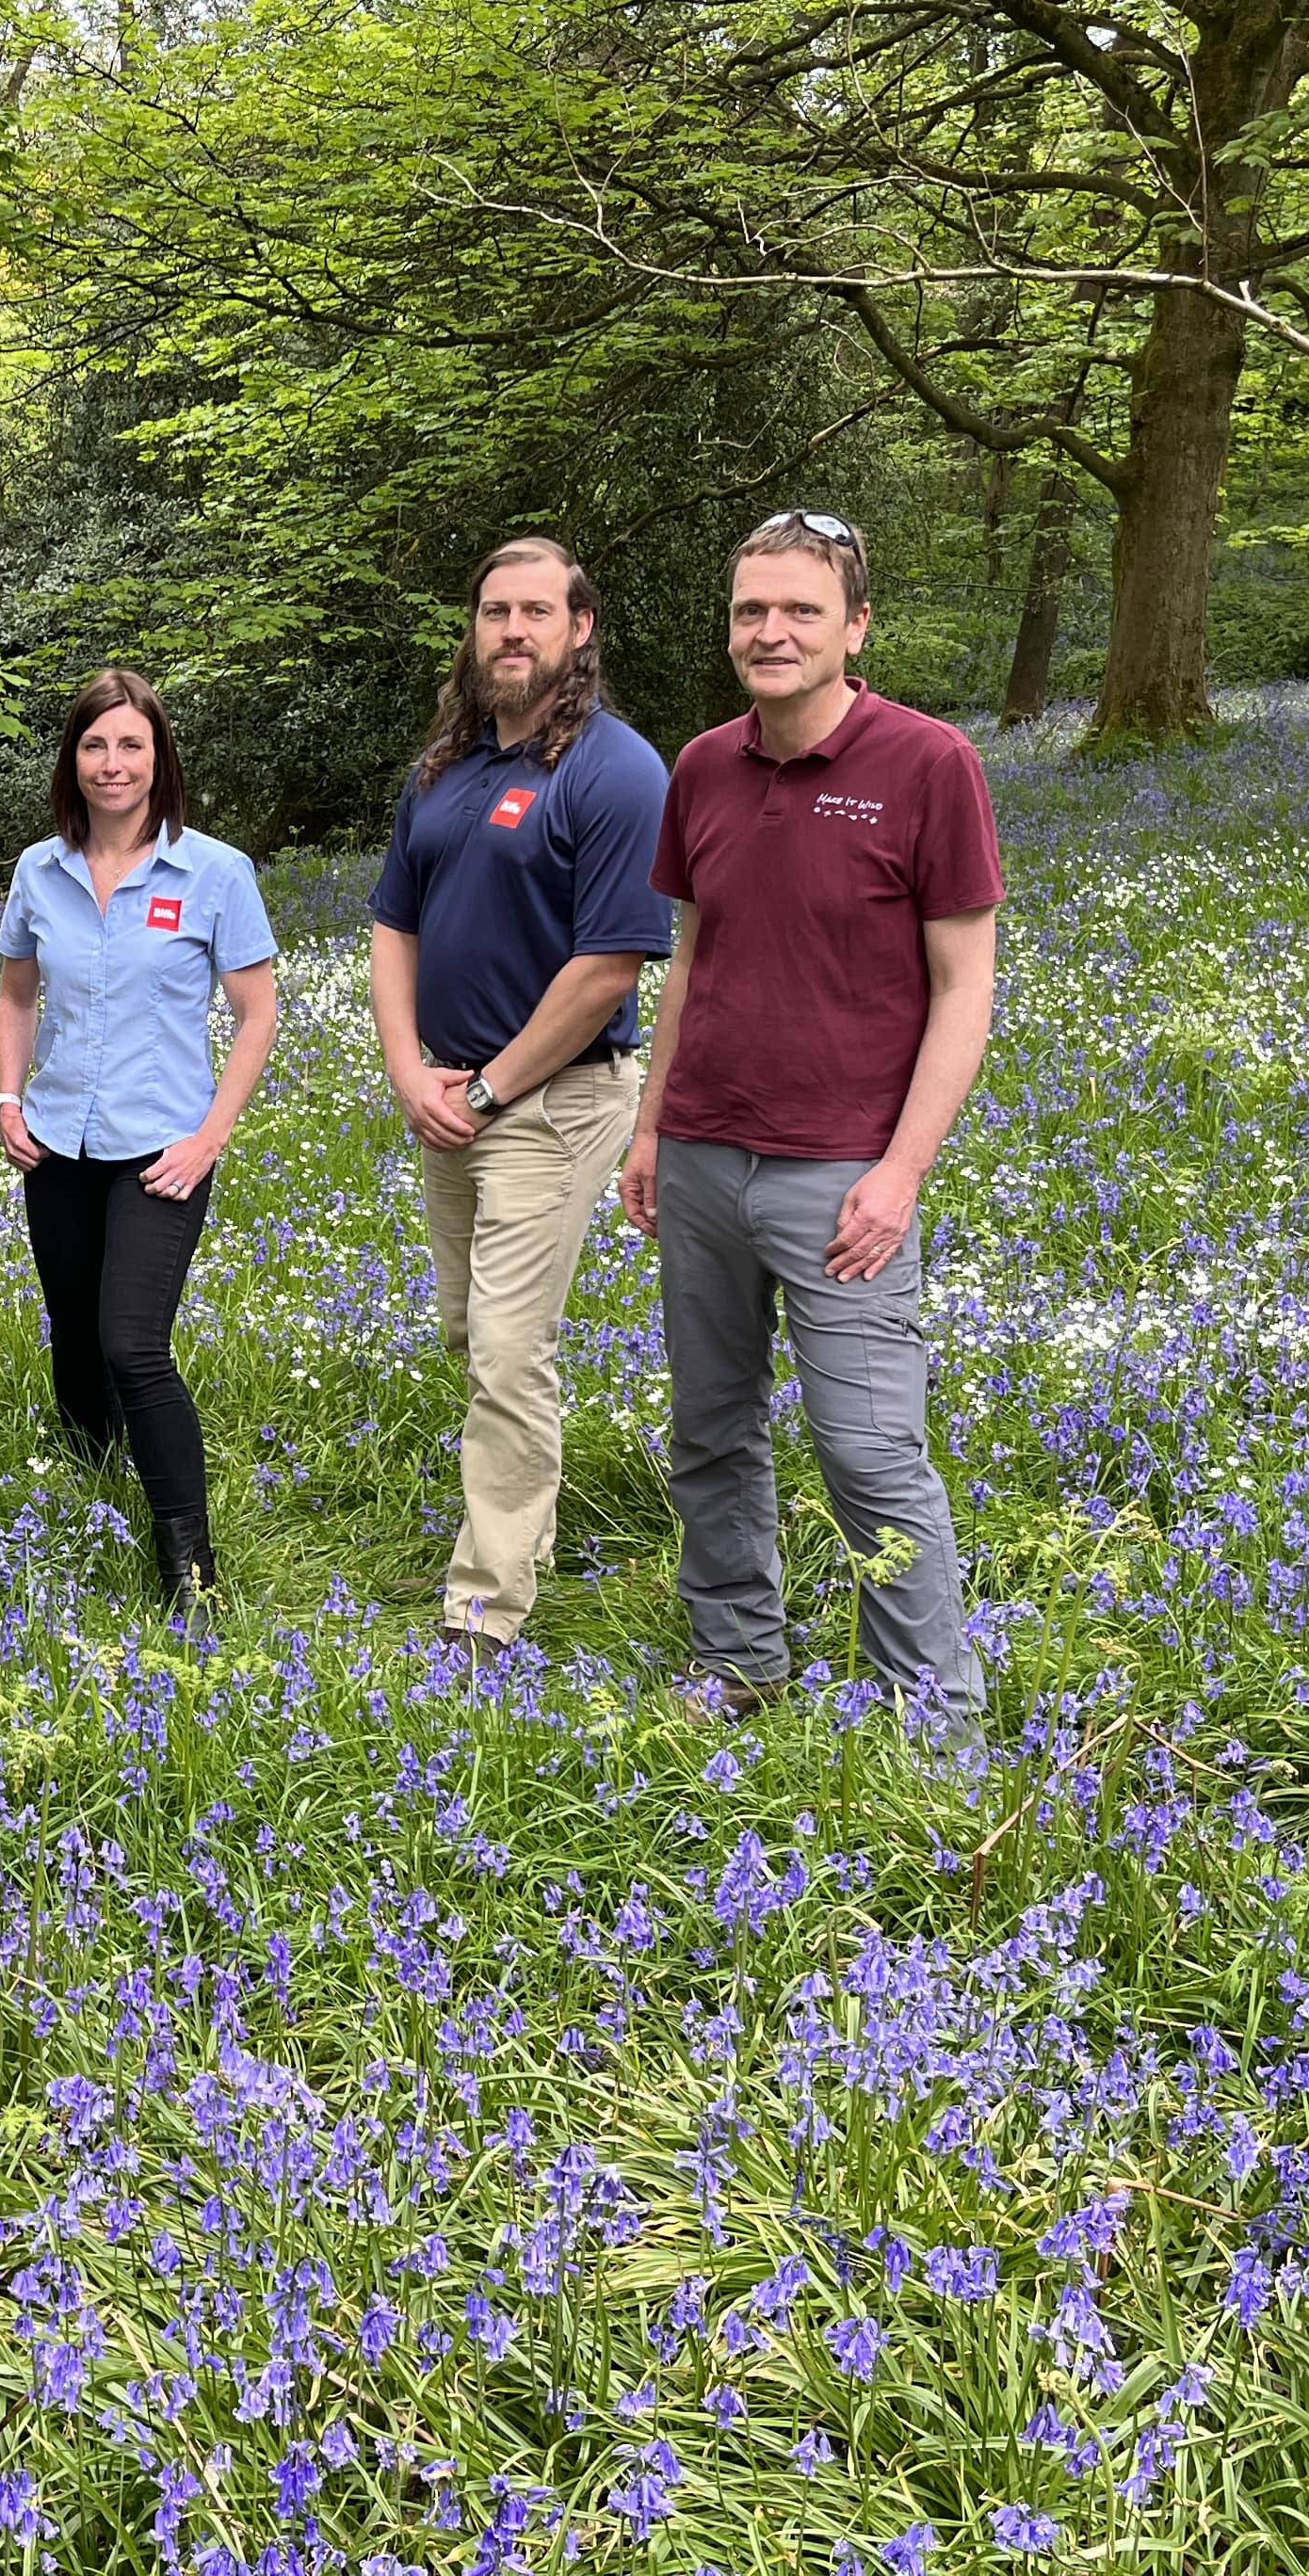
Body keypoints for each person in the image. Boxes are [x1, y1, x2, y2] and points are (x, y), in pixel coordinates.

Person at [617, 511, 1001, 1732]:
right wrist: (647, 1130)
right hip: (702, 1157)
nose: (770, 632)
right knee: (710, 1435)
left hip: (841, 1177)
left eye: (798, 611)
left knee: (871, 1452)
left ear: (855, 628)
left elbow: (966, 987)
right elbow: (690, 957)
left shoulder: (930, 764)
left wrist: (900, 1174)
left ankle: (932, 1720)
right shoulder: (703, 768)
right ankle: (741, 1662)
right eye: (750, 611)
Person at [370, 537, 678, 1654]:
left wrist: (492, 1090)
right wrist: (411, 1073)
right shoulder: (445, 768)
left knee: (507, 1350)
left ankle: (485, 1609)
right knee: (471, 1335)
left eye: (536, 611)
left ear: (579, 628)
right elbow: (393, 925)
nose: (512, 630)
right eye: (495, 610)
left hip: (550, 1106)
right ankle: (527, 1531)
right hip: (447, 1098)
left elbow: (608, 967)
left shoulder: (616, 770)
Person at [0, 670, 283, 1604]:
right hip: (57, 1144)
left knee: (132, 1345)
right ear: (72, 762)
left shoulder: (214, 873)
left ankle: (189, 1565)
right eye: (94, 746)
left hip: (164, 1150)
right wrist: (6, 1099)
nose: (112, 765)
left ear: (160, 760)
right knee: (74, 1335)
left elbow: (258, 1013)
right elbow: (13, 992)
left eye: (131, 746)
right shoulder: (40, 870)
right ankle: (92, 1481)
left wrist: (210, 1139)